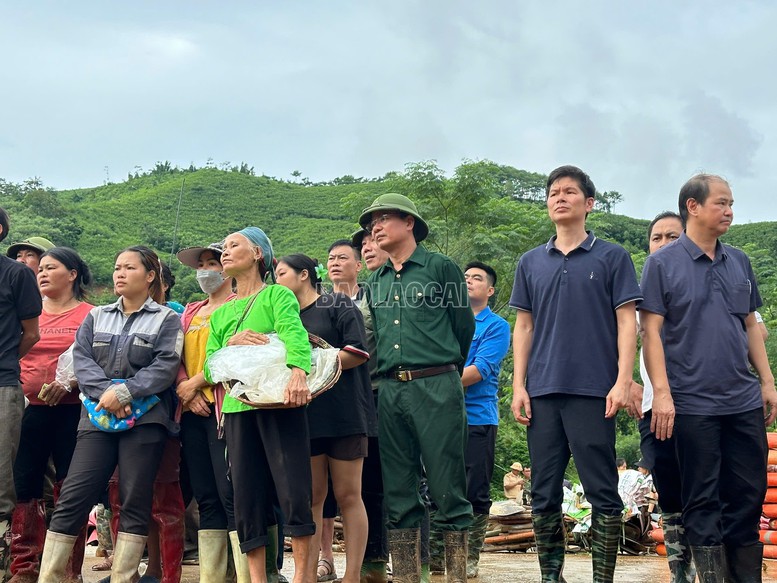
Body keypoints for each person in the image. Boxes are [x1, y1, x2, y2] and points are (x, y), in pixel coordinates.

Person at [640, 174, 777, 580]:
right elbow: (651, 333)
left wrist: (767, 382)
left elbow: (751, 325)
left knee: (748, 496)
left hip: (742, 400)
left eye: (731, 203)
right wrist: (661, 394)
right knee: (701, 499)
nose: (730, 211)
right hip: (692, 403)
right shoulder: (661, 264)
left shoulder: (739, 261)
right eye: (721, 203)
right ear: (693, 207)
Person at [510, 165, 641, 582]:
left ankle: (602, 578)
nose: (559, 197)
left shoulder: (612, 256)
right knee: (544, 492)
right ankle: (552, 577)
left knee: (602, 490)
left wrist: (623, 380)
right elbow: (525, 326)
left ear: (589, 204)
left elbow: (627, 322)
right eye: (553, 192)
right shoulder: (531, 262)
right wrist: (518, 386)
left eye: (569, 192)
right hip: (542, 391)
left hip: (593, 391)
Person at [37, 245, 183, 583]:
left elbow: (165, 365)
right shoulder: (96, 315)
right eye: (117, 267)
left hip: (145, 420)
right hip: (97, 417)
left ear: (150, 277)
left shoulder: (166, 318)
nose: (120, 273)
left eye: (129, 268)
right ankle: (51, 576)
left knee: (134, 496)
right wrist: (108, 392)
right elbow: (82, 359)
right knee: (75, 494)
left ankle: (123, 576)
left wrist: (126, 391)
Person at [358, 193, 475, 583]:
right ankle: (408, 577)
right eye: (371, 221)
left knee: (448, 491)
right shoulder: (374, 281)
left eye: (384, 218)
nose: (375, 226)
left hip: (437, 385)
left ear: (409, 222)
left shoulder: (441, 268)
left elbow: (463, 328)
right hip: (390, 391)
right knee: (399, 493)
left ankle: (457, 576)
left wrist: (444, 371)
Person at [201, 227, 314, 583]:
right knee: (246, 495)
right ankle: (257, 579)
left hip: (279, 404)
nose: (225, 251)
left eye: (235, 245)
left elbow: (295, 333)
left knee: (293, 489)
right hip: (237, 409)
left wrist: (299, 372)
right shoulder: (220, 314)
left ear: (258, 255)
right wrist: (230, 343)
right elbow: (209, 366)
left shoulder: (277, 296)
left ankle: (301, 577)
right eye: (224, 247)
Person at [276, 253, 376, 583]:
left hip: (345, 413)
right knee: (313, 496)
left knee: (349, 495)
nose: (277, 281)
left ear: (304, 275)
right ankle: (306, 572)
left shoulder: (338, 306)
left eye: (281, 274)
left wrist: (310, 366)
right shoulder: (285, 317)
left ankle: (352, 576)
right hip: (305, 416)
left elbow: (358, 353)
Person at [175, 241, 259, 582]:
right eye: (201, 265)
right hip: (192, 411)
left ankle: (248, 574)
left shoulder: (242, 306)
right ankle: (212, 576)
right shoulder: (190, 312)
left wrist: (198, 386)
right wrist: (185, 390)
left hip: (226, 408)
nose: (206, 270)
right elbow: (174, 357)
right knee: (205, 492)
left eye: (213, 262)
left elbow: (239, 359)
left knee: (233, 492)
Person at [9, 248, 93, 583]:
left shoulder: (92, 314)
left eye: (51, 267)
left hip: (73, 412)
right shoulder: (26, 314)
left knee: (70, 488)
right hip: (29, 410)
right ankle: (25, 567)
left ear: (72, 274)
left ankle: (67, 570)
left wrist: (69, 381)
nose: (41, 273)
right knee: (24, 486)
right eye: (39, 268)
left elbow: (97, 359)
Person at [630, 210, 696, 582]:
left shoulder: (707, 274)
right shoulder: (639, 287)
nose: (665, 244)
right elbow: (619, 335)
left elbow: (755, 329)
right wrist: (625, 381)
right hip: (655, 407)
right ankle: (679, 572)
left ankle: (710, 566)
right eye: (657, 238)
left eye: (674, 236)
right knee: (670, 491)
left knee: (706, 489)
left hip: (704, 403)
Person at [458, 261, 510, 577]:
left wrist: (435, 381)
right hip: (441, 416)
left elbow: (479, 371)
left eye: (476, 278)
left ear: (489, 290)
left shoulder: (496, 326)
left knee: (475, 489)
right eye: (464, 277)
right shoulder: (448, 321)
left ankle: (469, 557)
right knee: (439, 487)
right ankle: (440, 553)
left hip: (477, 417)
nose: (468, 281)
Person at [0, 208, 42, 579]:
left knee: (0, 478)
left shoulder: (15, 273)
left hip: (2, 385)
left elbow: (31, 333)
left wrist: (5, 362)